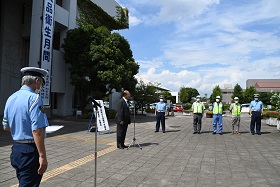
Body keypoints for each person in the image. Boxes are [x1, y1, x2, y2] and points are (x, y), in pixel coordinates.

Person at [2, 67, 49, 186]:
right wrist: (42, 156)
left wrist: (20, 127)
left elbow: (6, 127)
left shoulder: (11, 98)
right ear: (37, 81)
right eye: (41, 83)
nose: (40, 86)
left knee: (24, 181)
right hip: (30, 151)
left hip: (16, 149)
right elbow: (37, 130)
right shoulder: (34, 98)